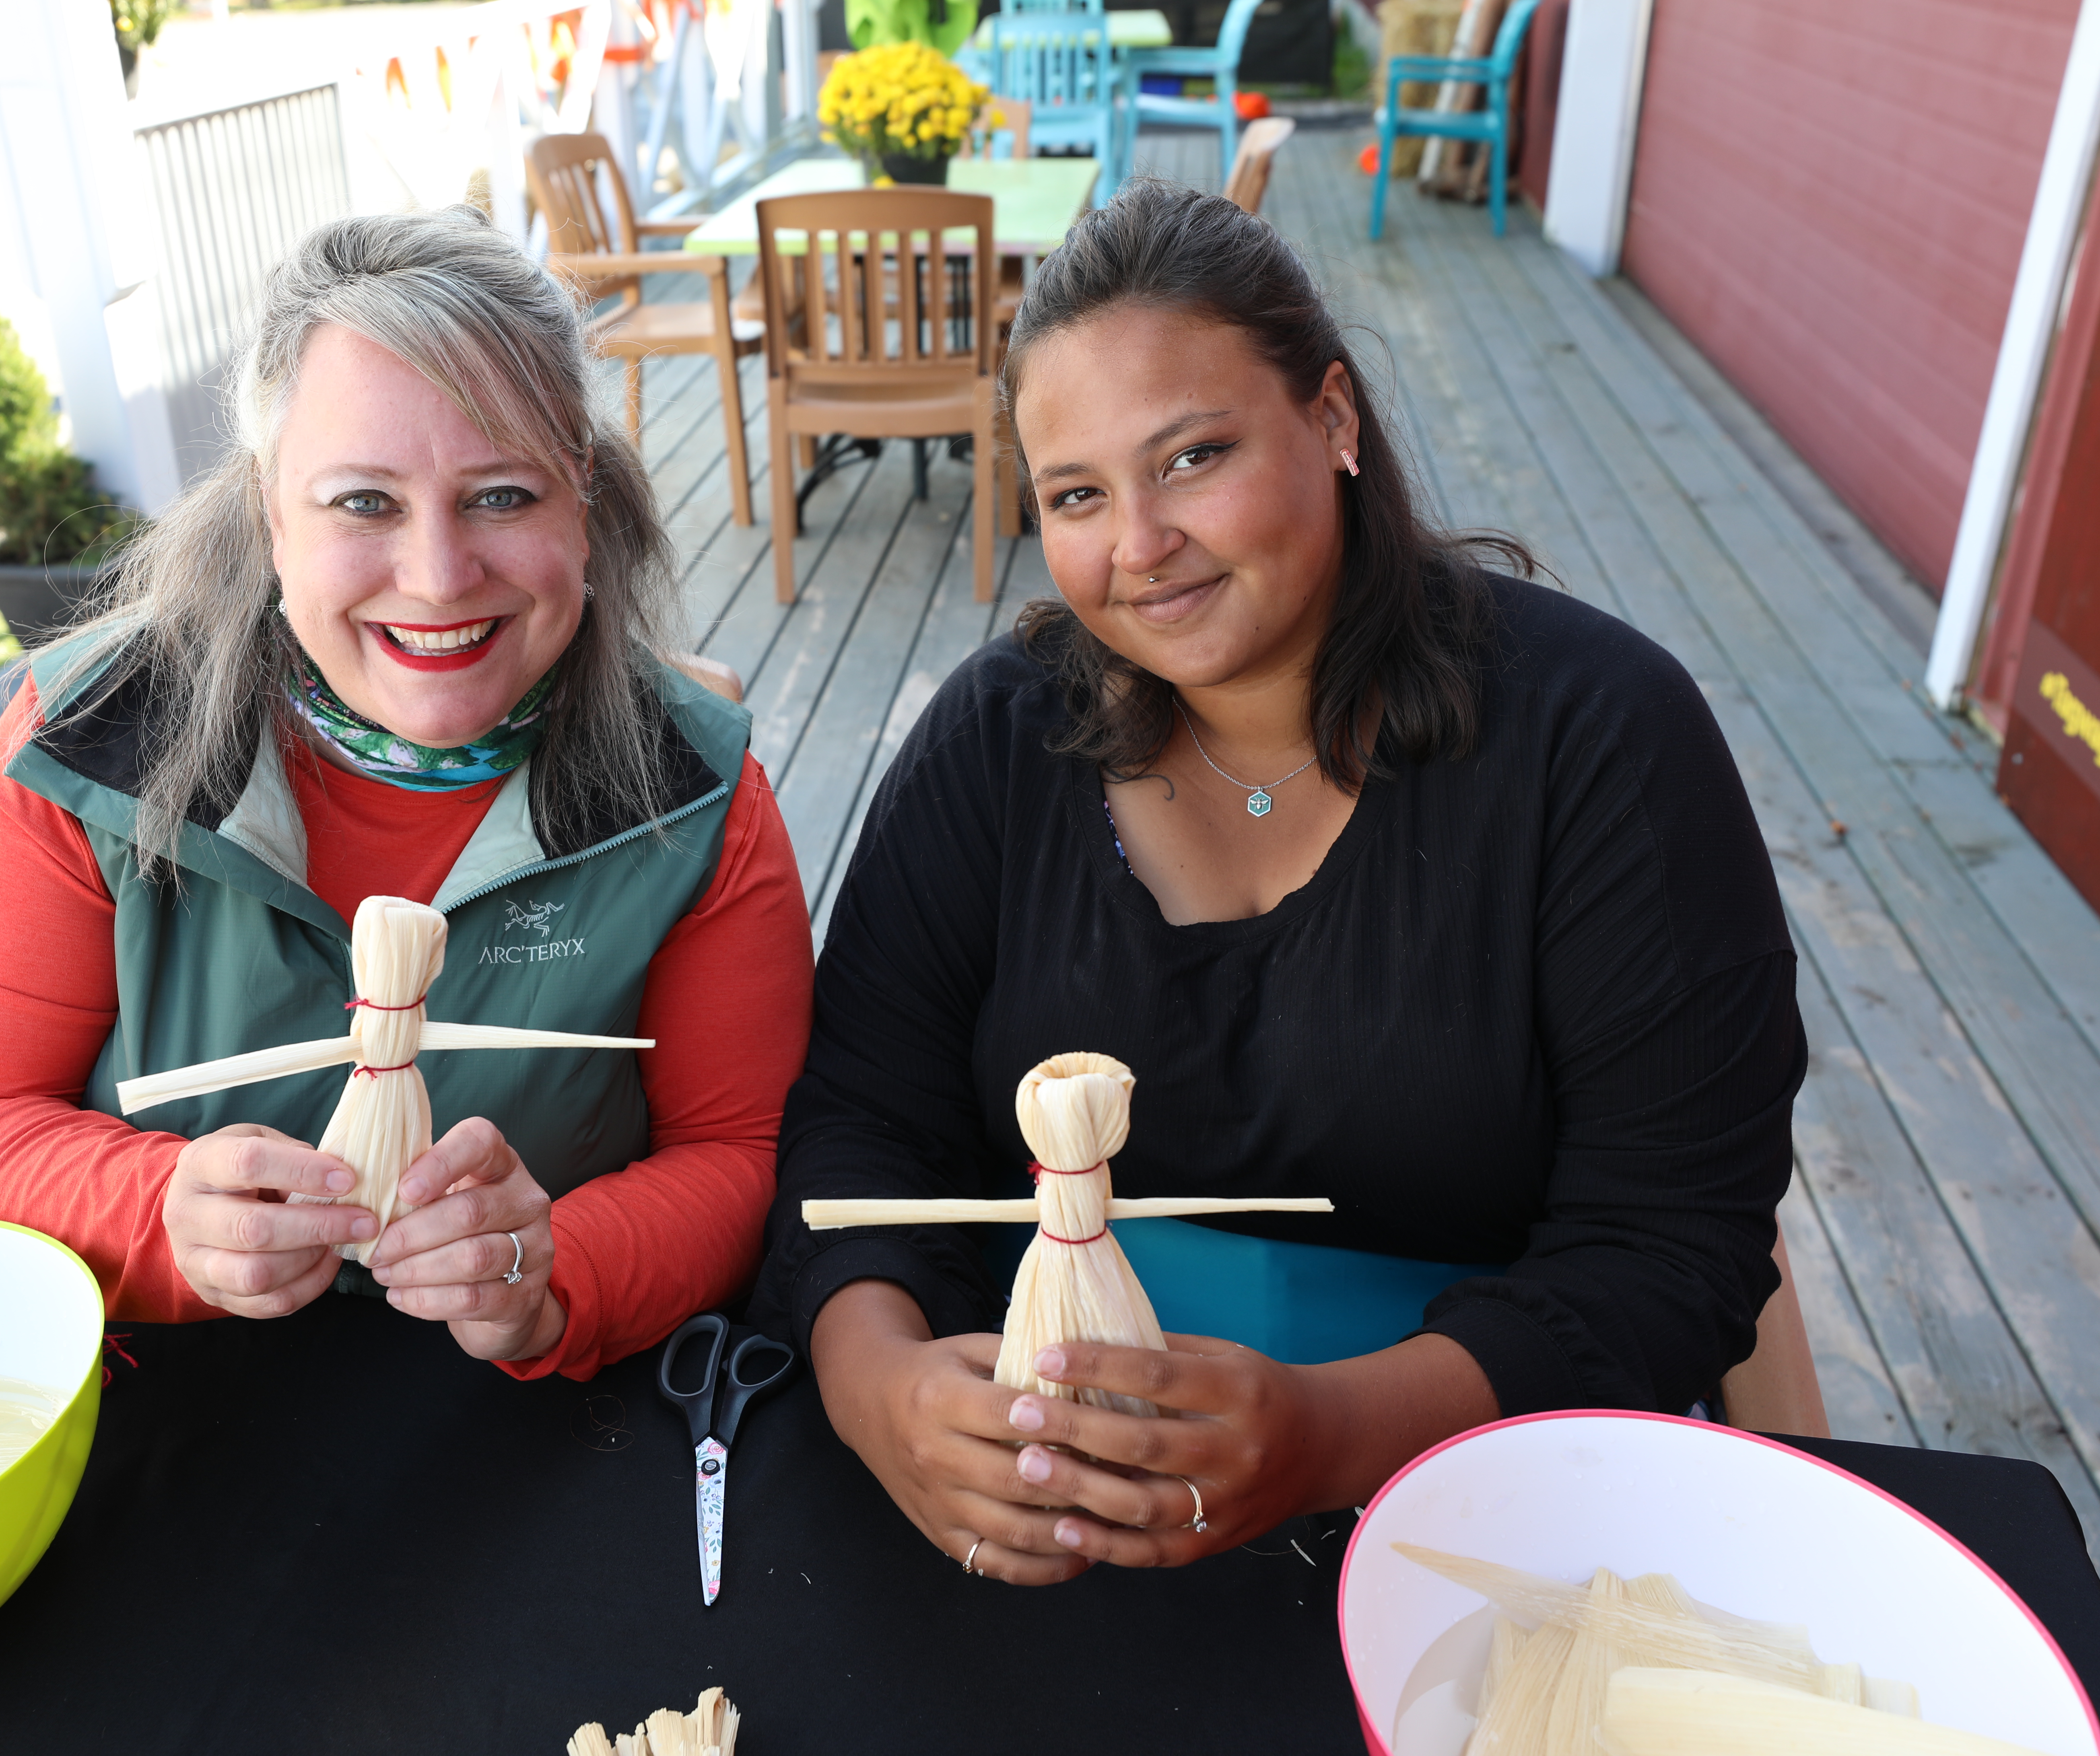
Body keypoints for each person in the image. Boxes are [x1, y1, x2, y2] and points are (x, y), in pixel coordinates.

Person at [750, 181, 1802, 1581]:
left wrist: (1326, 1434)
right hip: (1053, 1508)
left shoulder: (1601, 737)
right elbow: (862, 1134)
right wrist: (880, 1389)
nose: (1136, 546)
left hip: (1497, 1503)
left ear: (1335, 418)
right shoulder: (999, 739)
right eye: (1076, 495)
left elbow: (1676, 1240)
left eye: (1190, 458)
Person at [0, 211, 811, 1380]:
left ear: (583, 490)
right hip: (168, 1411)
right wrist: (158, 1209)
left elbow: (740, 1154)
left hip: (546, 1432)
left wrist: (553, 1269)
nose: (437, 577)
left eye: (504, 496)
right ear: (273, 508)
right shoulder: (88, 745)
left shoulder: (693, 790)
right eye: (364, 502)